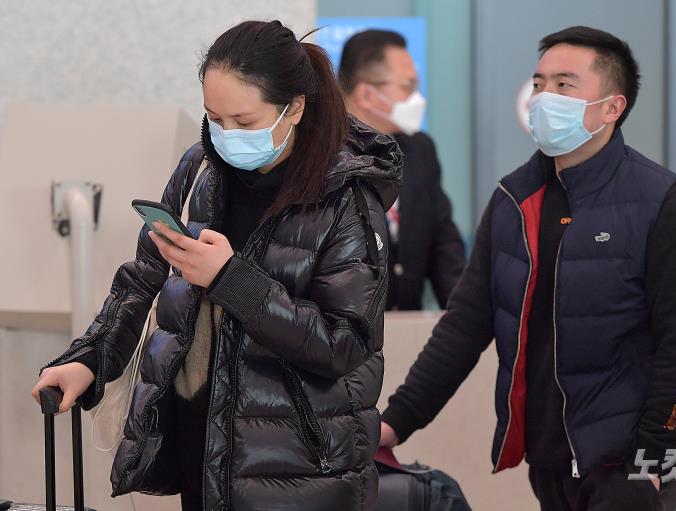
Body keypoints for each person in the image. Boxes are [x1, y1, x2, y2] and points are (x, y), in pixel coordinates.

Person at [32, 20, 401, 511]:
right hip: (202, 444)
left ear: (294, 108)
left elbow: (346, 343)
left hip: (301, 471)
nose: (226, 135)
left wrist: (230, 279)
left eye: (244, 122)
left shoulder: (346, 198)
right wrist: (90, 359)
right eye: (214, 117)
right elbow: (143, 277)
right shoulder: (199, 170)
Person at [378, 26, 676, 511]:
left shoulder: (664, 202)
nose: (543, 97)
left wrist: (657, 461)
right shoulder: (514, 201)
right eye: (538, 84)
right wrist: (397, 420)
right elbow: (464, 325)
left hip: (630, 465)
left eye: (564, 84)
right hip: (551, 460)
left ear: (611, 108)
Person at [339, 30, 465, 310]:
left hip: (410, 332)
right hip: (341, 337)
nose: (416, 99)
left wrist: (463, 319)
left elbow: (444, 243)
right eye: (407, 87)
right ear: (367, 94)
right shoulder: (322, 157)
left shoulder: (420, 150)